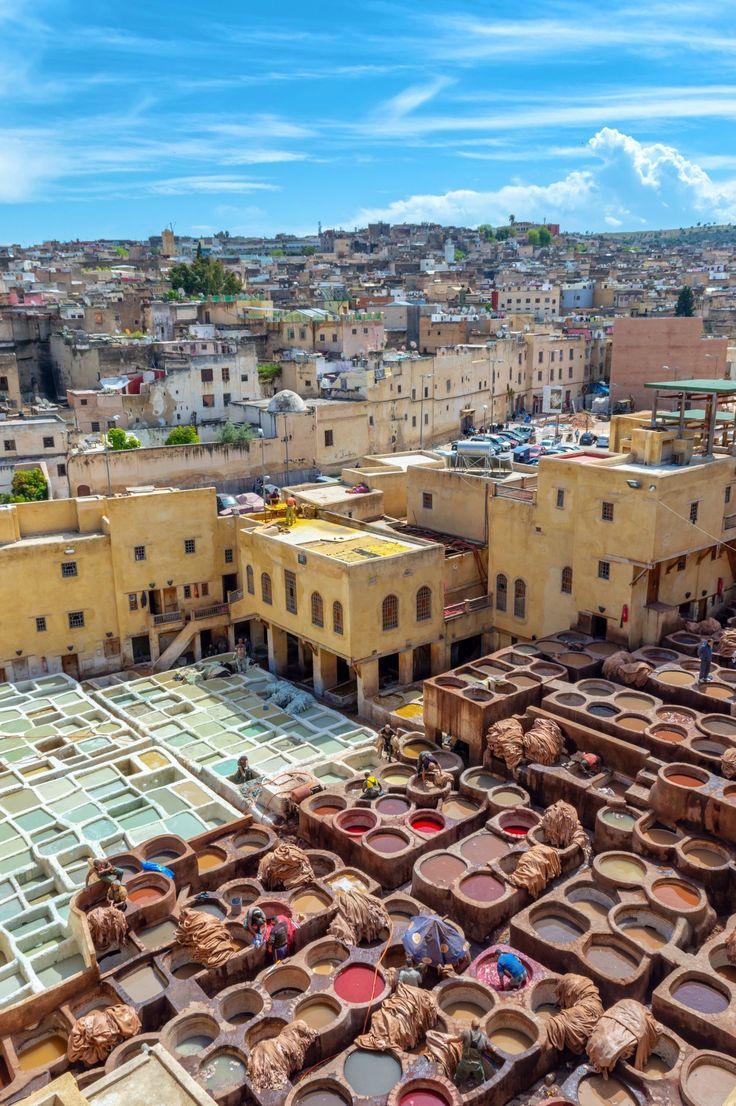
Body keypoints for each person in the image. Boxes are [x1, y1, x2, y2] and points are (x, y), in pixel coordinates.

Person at [454, 1021, 491, 1090]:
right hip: (476, 1065)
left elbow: (457, 1040)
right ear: (478, 1027)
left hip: (464, 1063)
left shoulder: (466, 1033)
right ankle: (484, 1090)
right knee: (481, 1080)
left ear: (471, 1025)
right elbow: (485, 1048)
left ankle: (456, 1086)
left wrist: (448, 1040)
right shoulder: (483, 1038)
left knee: (458, 1076)